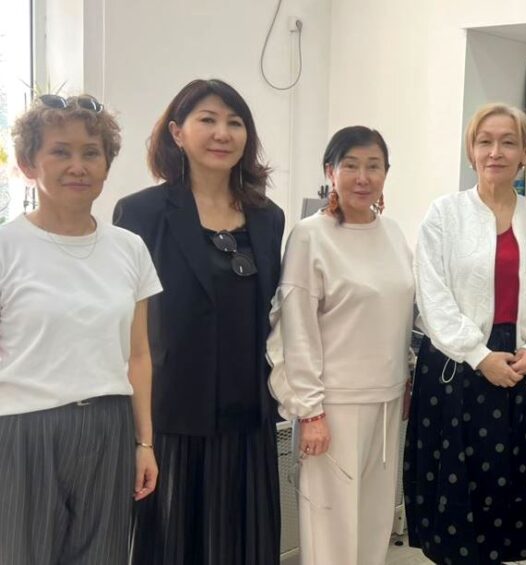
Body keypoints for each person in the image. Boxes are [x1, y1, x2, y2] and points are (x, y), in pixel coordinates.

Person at [113, 79, 284, 565]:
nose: (222, 133)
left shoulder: (268, 217)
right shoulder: (142, 213)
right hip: (174, 416)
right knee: (174, 546)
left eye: (235, 122)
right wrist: (139, 435)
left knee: (246, 545)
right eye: (207, 119)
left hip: (249, 417)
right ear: (177, 132)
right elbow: (125, 329)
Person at [0, 95, 161, 564]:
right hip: (24, 429)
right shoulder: (7, 246)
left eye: (91, 152)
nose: (78, 166)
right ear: (29, 163)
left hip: (108, 426)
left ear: (107, 165)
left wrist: (144, 443)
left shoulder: (129, 249)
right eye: (60, 151)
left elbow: (138, 355)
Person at [403, 103, 526, 564]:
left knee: (512, 486)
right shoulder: (444, 214)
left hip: (520, 366)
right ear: (471, 150)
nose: (496, 152)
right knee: (459, 489)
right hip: (457, 365)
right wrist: (479, 355)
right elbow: (432, 297)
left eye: (508, 142)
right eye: (485, 141)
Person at [266, 126, 413, 565]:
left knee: (374, 526)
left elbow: (399, 314)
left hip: (387, 401)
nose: (362, 177)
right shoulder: (311, 235)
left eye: (373, 166)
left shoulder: (393, 233)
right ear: (330, 171)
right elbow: (296, 329)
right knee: (331, 530)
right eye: (350, 165)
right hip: (333, 406)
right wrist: (310, 411)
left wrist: (405, 378)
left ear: (386, 173)